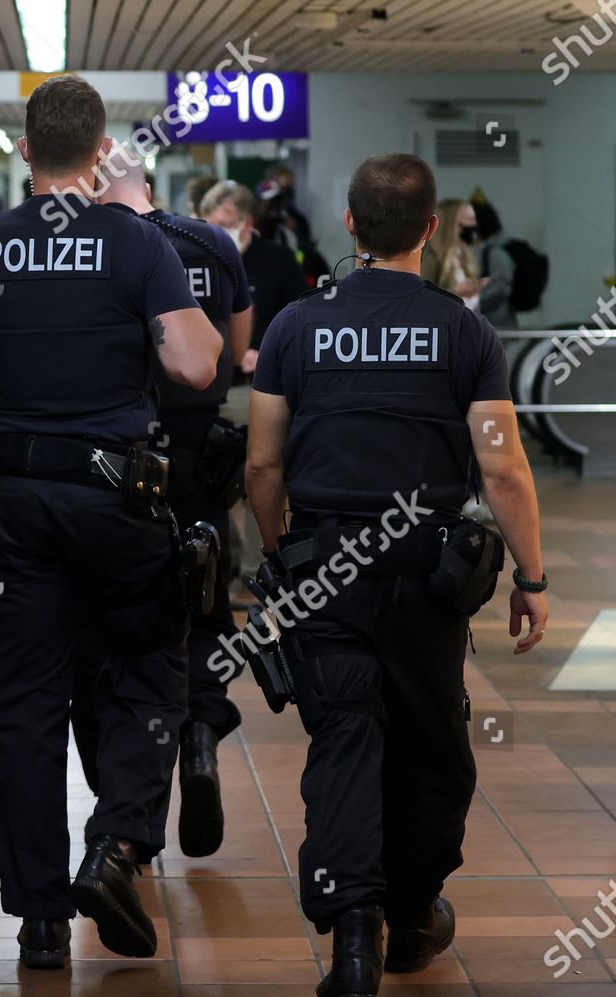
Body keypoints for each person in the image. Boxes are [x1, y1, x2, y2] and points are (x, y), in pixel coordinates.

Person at [0, 74, 221, 971]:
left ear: (23, 152)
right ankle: (117, 847)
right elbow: (200, 366)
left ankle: (40, 915)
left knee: (15, 704)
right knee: (144, 677)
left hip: (17, 513)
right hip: (120, 504)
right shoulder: (137, 244)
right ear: (101, 156)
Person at [247, 153, 549, 996]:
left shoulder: (295, 326)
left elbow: (262, 468)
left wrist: (280, 558)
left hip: (324, 571)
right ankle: (412, 911)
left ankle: (352, 935)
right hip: (427, 578)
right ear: (429, 229)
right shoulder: (463, 331)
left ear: (349, 224)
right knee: (431, 748)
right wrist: (532, 575)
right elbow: (506, 470)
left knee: (342, 740)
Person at [72, 161, 251, 859]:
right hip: (200, 458)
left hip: (118, 462)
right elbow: (232, 353)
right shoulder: (214, 244)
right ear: (151, 183)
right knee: (205, 606)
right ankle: (201, 735)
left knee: (115, 626)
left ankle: (119, 802)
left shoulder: (94, 248)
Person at [202, 182, 308, 372]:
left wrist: (267, 354)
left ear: (247, 223)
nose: (215, 235)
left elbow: (302, 320)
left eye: (224, 226)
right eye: (209, 228)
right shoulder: (200, 262)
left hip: (262, 375)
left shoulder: (280, 260)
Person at [422, 198, 487, 312]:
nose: (472, 227)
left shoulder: (464, 255)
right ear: (450, 225)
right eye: (466, 223)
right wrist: (456, 292)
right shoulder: (431, 257)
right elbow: (422, 299)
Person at [470, 198, 518, 329]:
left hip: (498, 325)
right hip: (484, 323)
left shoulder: (495, 253)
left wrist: (473, 300)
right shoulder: (477, 250)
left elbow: (501, 288)